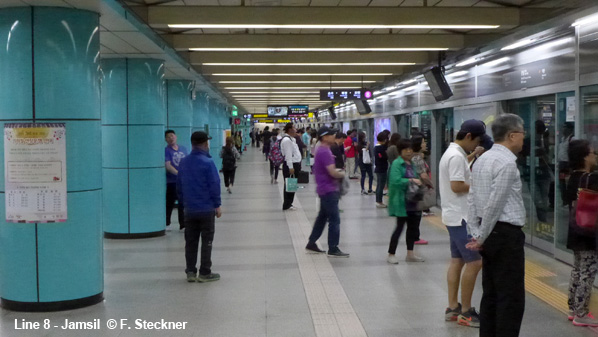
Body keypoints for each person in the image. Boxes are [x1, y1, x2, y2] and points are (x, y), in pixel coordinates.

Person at [466, 113, 527, 337]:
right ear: (512, 135)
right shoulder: (506, 163)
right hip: (504, 235)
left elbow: (472, 199)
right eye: (522, 134)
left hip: (488, 233)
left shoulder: (483, 159)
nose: (524, 139)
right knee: (510, 298)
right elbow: (495, 204)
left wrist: (476, 232)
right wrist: (481, 236)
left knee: (490, 293)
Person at [438, 120, 486, 328]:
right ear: (468, 137)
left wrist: (473, 156)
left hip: (452, 215)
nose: (474, 146)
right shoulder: (456, 156)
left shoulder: (452, 153)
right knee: (475, 263)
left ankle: (452, 307)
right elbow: (457, 185)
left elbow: (459, 169)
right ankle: (466, 311)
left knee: (457, 261)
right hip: (461, 218)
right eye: (474, 142)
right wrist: (479, 185)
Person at [177, 131, 222, 283]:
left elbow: (179, 186)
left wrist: (184, 203)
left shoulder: (184, 162)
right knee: (207, 241)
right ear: (205, 144)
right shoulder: (208, 163)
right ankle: (204, 272)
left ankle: (190, 271)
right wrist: (217, 205)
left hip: (189, 209)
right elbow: (214, 185)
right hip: (206, 208)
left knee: (190, 242)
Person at [566, 139, 598, 327]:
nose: (595, 156)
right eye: (593, 153)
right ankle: (581, 313)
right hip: (588, 232)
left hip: (575, 229)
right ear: (585, 157)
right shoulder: (591, 179)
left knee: (578, 269)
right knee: (588, 271)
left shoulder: (573, 178)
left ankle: (573, 307)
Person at [305, 126, 349, 257]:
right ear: (324, 137)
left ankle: (312, 242)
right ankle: (333, 248)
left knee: (322, 218)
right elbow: (332, 172)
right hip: (329, 189)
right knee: (335, 220)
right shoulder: (324, 151)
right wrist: (342, 174)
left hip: (324, 189)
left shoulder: (323, 150)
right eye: (331, 134)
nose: (334, 136)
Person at [387, 139, 425, 264]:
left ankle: (410, 253)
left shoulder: (411, 164)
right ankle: (391, 254)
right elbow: (395, 181)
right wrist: (411, 181)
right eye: (406, 149)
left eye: (410, 149)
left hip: (413, 201)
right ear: (400, 151)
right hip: (401, 201)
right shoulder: (397, 164)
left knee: (412, 229)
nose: (409, 152)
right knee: (399, 228)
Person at [410, 134, 432, 244]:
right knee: (416, 214)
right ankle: (415, 237)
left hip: (412, 189)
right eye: (423, 142)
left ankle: (414, 236)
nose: (425, 144)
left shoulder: (412, 156)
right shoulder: (417, 158)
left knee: (414, 214)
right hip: (417, 189)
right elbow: (423, 175)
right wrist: (431, 184)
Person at [165, 130, 188, 230]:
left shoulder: (183, 148)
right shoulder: (167, 150)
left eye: (172, 136)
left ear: (176, 136)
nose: (171, 138)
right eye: (168, 137)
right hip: (172, 181)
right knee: (170, 202)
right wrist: (179, 174)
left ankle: (182, 223)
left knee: (182, 202)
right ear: (166, 139)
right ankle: (167, 222)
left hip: (184, 181)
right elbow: (168, 165)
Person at [281, 123, 302, 210]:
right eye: (294, 127)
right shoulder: (287, 140)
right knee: (289, 185)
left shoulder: (291, 139)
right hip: (291, 165)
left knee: (292, 185)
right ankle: (287, 204)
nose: (296, 129)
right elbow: (288, 155)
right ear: (290, 129)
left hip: (295, 164)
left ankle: (290, 203)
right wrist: (291, 167)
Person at [374, 132, 389, 208]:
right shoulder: (380, 148)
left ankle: (378, 200)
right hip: (381, 168)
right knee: (381, 185)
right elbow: (383, 157)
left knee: (379, 185)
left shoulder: (376, 147)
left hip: (379, 168)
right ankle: (379, 201)